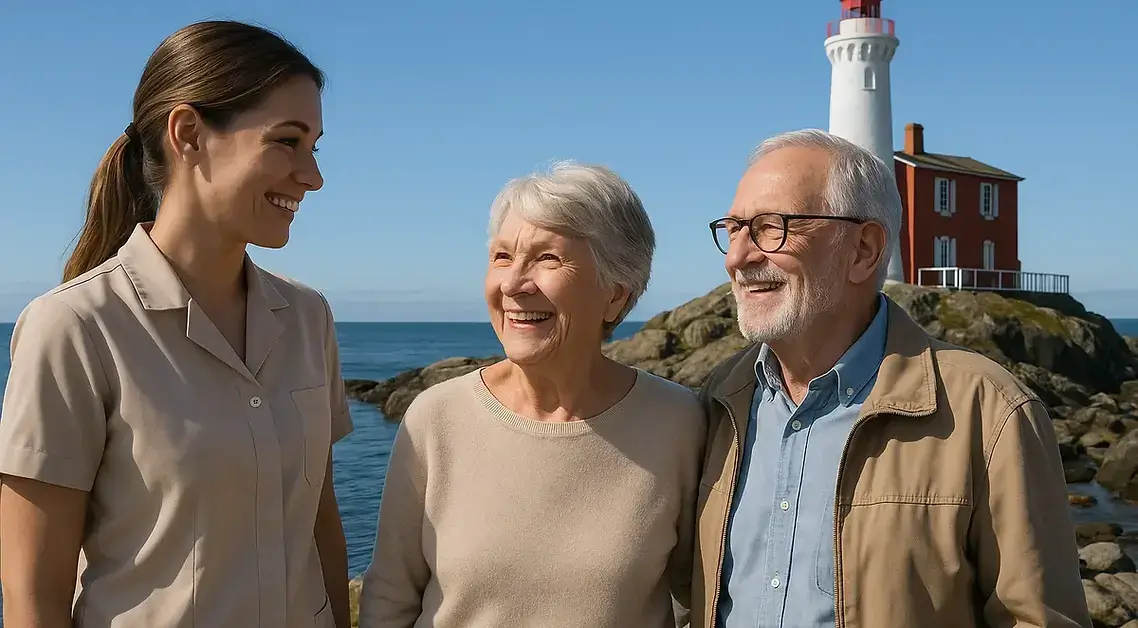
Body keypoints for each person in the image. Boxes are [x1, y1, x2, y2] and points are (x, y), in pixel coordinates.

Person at [0, 20, 353, 628]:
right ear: (189, 133)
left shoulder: (308, 319)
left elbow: (320, 519)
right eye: (287, 142)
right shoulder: (74, 328)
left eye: (314, 147)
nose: (312, 176)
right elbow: (34, 597)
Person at [692, 129, 1091, 627]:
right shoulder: (717, 401)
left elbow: (1038, 618)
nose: (738, 258)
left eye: (774, 227)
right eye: (733, 229)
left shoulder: (987, 411)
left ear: (864, 249)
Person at [357, 161, 706, 627]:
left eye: (547, 259)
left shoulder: (677, 421)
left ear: (616, 295)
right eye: (502, 257)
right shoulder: (436, 417)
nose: (513, 285)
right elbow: (389, 600)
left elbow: (699, 600)